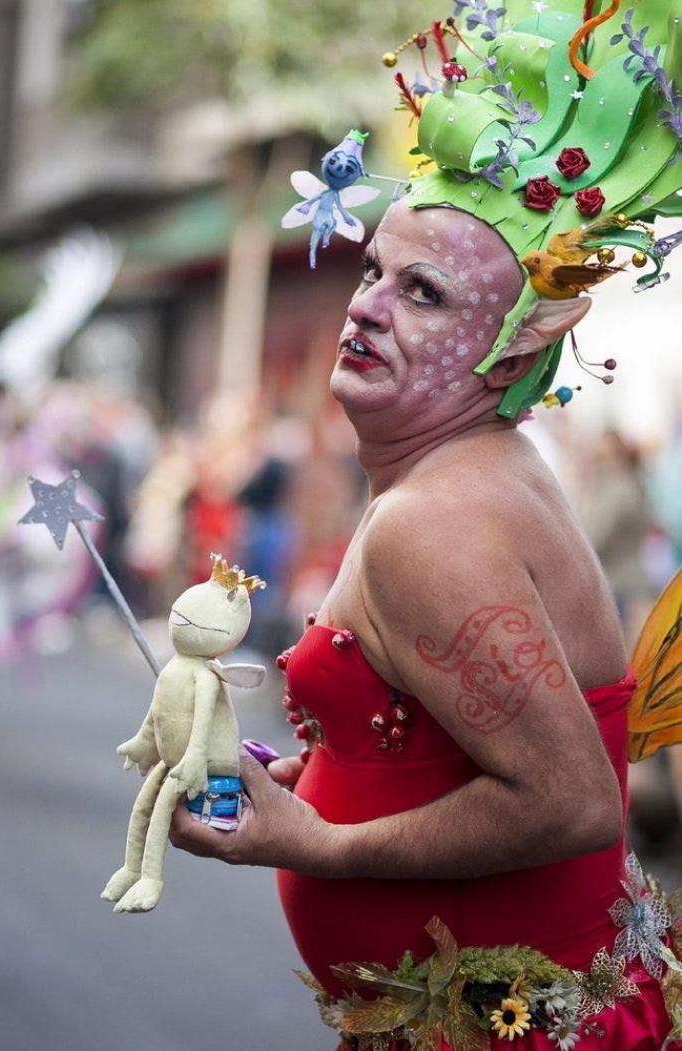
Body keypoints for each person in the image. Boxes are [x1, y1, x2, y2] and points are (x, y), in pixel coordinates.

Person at [169, 4, 682, 1048]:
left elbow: (570, 800)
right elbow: (448, 740)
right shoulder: (469, 471)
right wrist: (312, 779)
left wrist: (314, 841)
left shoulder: (434, 521)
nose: (365, 307)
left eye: (424, 293)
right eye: (371, 270)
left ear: (521, 337)